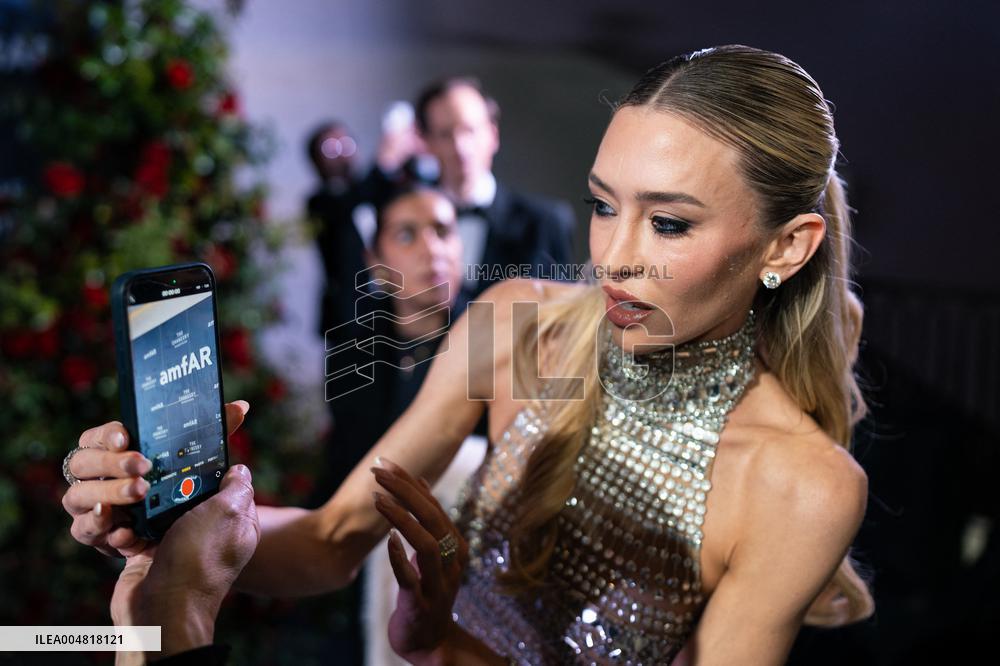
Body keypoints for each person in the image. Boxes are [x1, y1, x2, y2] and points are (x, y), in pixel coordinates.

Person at [64, 45, 873, 664]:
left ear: (786, 247)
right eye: (602, 205)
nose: (612, 258)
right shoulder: (520, 324)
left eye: (668, 223)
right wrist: (178, 530)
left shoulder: (802, 488)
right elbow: (330, 540)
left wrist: (439, 646)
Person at [371, 76, 578, 302]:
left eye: (470, 130)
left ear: (493, 134)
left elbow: (561, 318)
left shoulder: (546, 222)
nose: (460, 147)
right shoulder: (401, 218)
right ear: (425, 142)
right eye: (445, 134)